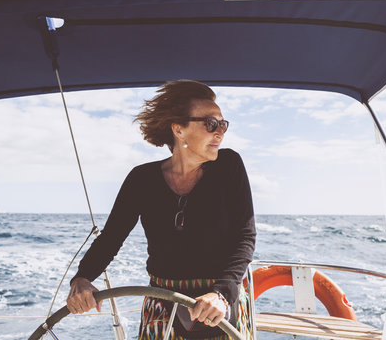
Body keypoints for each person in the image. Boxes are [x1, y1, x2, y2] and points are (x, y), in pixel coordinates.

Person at [67, 80, 256, 339]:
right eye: (211, 124)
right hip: (162, 302)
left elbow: (245, 237)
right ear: (179, 129)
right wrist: (82, 278)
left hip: (219, 302)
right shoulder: (141, 179)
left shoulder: (229, 166)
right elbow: (111, 239)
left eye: (223, 124)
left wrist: (221, 294)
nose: (220, 132)